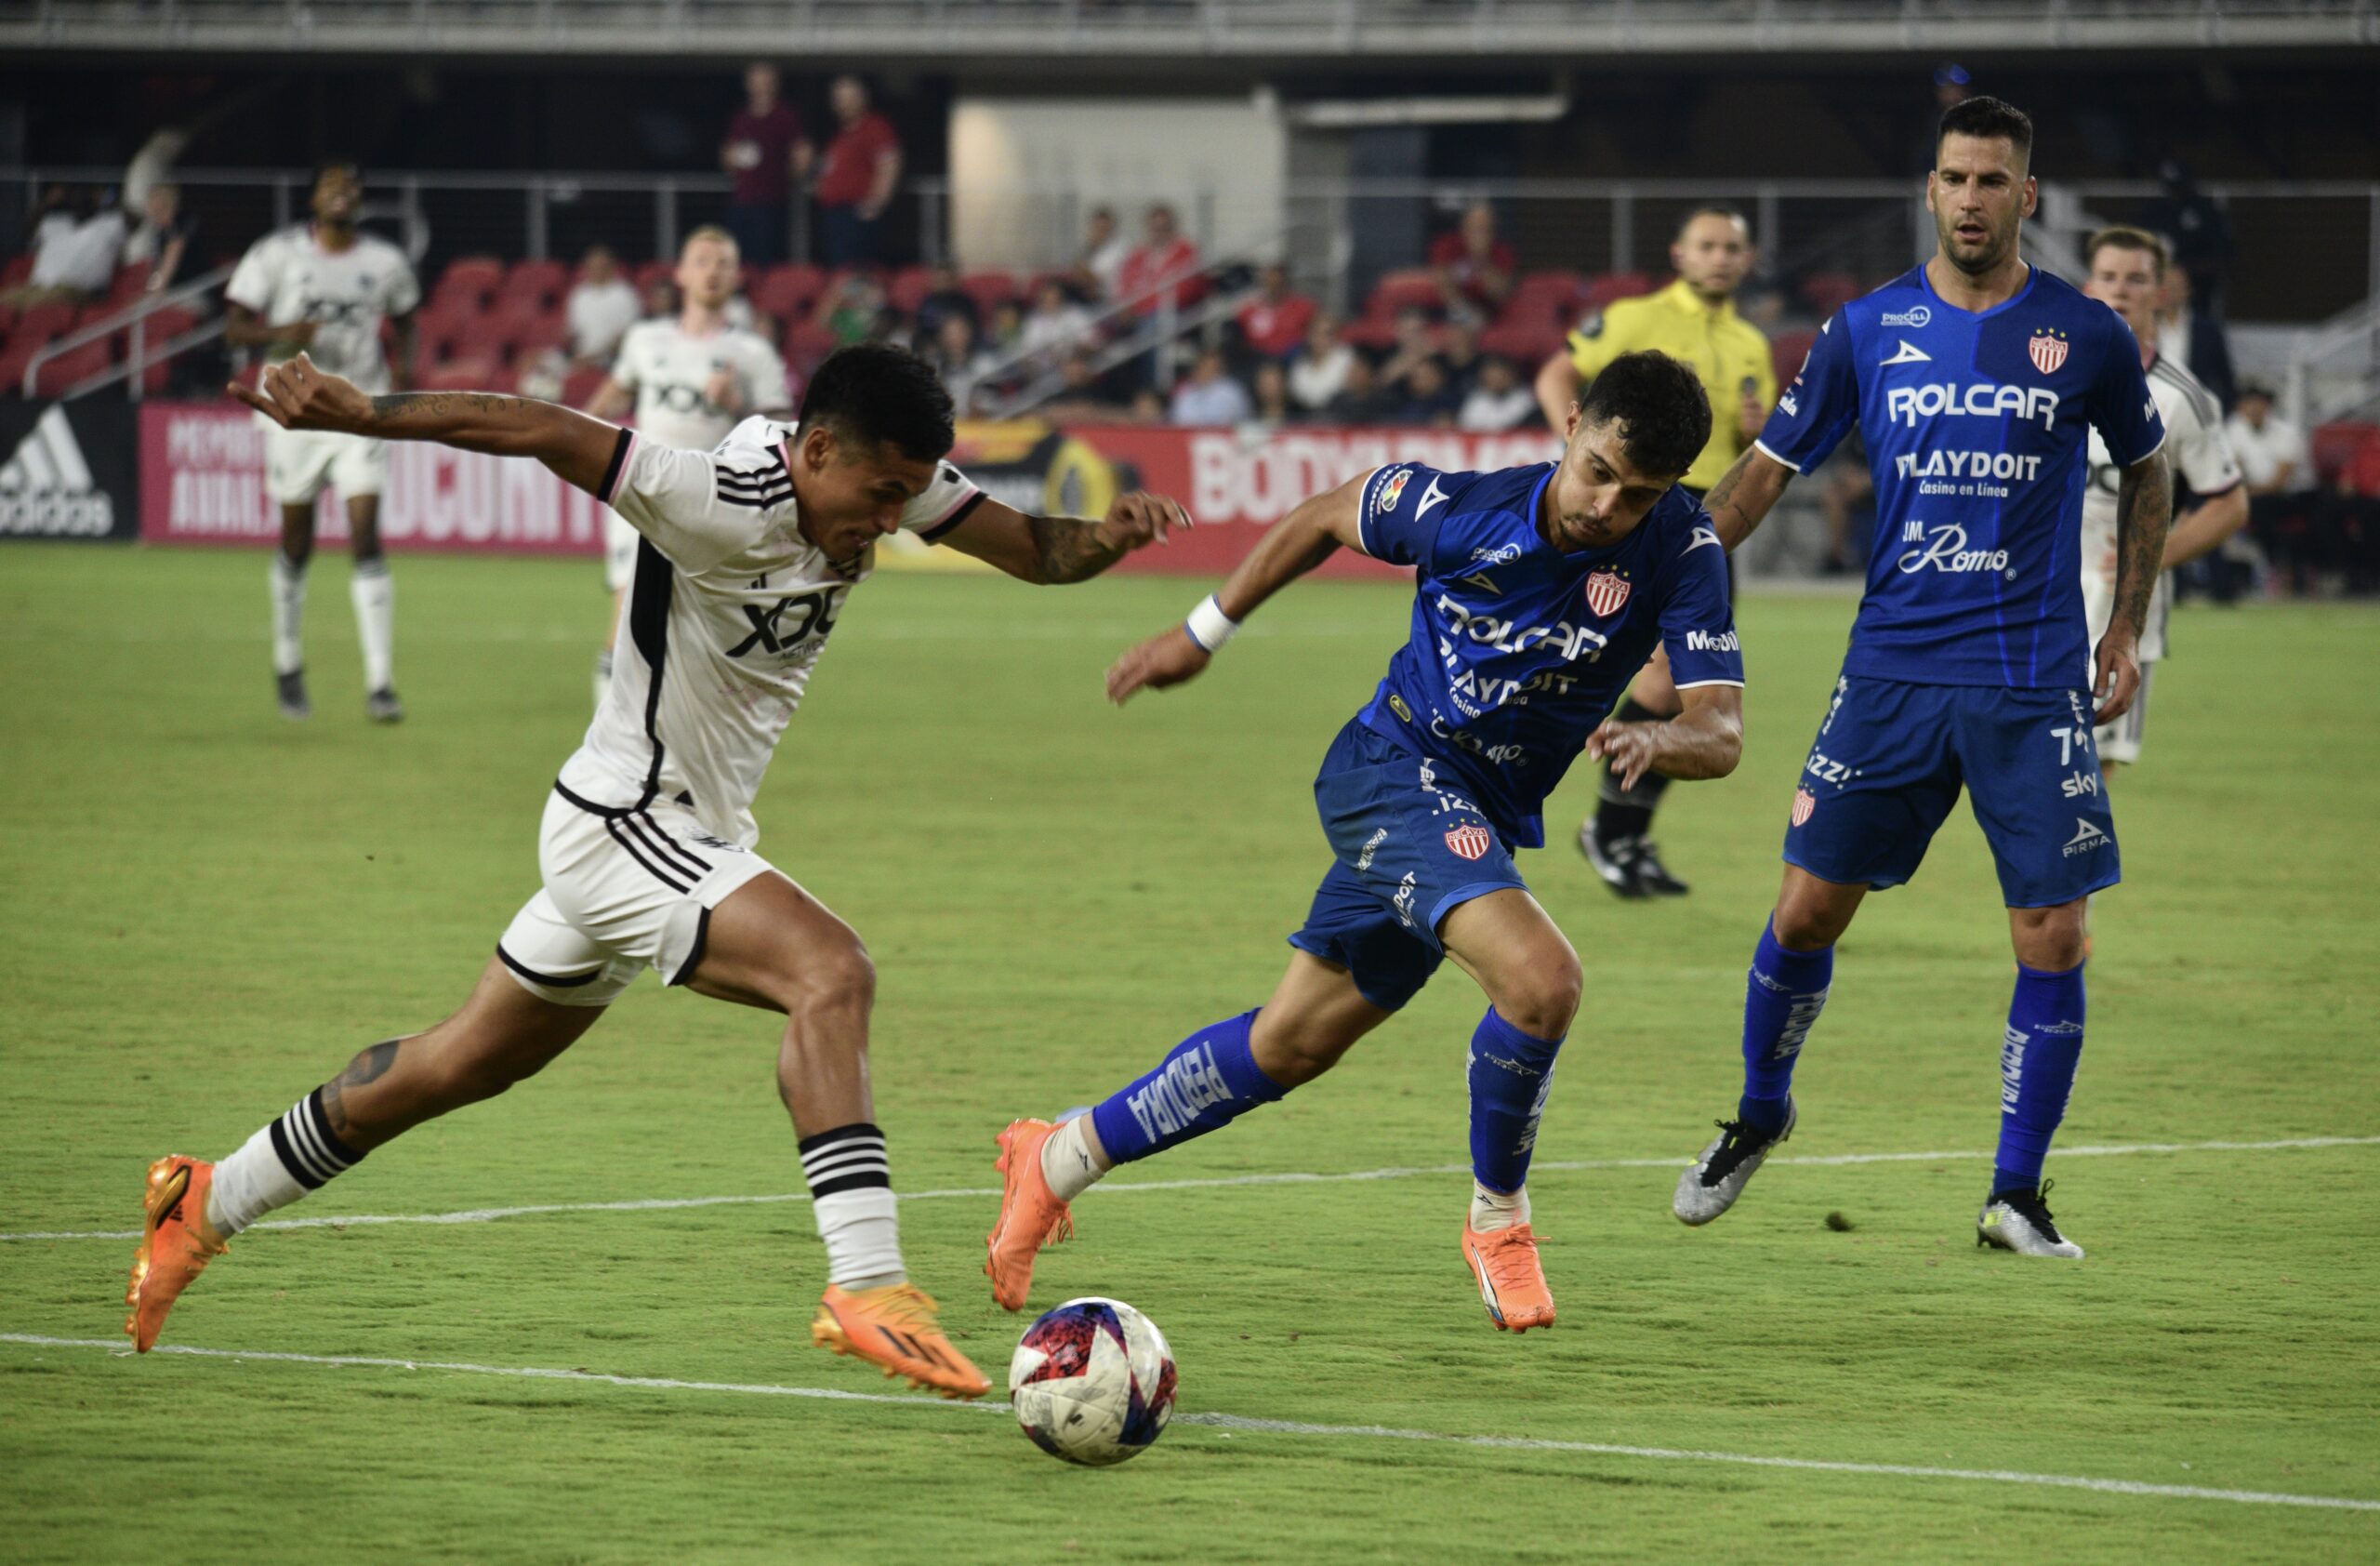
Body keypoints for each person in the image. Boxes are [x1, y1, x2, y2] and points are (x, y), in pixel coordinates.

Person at [128, 342, 1191, 1398]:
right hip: (625, 821)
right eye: (879, 495)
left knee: (458, 1063)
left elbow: (1040, 553)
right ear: (817, 449)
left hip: (687, 833)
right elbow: (536, 423)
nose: (889, 521)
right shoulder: (714, 494)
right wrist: (363, 417)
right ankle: (868, 1284)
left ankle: (207, 1199)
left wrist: (1105, 534)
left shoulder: (874, 481)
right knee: (831, 974)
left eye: (906, 498)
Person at [983, 352, 1743, 1331]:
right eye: (1598, 469)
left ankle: (1056, 1157)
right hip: (1387, 771)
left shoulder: (1681, 548)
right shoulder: (1460, 510)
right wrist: (1200, 633)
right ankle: (1496, 1221)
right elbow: (1319, 516)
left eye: (1637, 493)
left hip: (1475, 813)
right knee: (1542, 981)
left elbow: (1718, 731)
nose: (1606, 504)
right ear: (1570, 427)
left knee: (1288, 1046)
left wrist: (1660, 736)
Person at [1668, 97, 2172, 1260]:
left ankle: (2014, 1192)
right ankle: (1756, 1113)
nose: (1972, 199)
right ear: (1930, 190)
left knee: (2052, 935)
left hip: (2026, 679)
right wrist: (1669, 584)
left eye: (1994, 180)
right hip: (1889, 671)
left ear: (2026, 196)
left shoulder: (2082, 333)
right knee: (1804, 910)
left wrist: (2123, 627)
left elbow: (2147, 475)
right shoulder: (1864, 328)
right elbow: (1757, 477)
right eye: (1954, 178)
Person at [1536, 206, 1775, 898]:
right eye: (1707, 246)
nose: (1720, 258)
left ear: (1747, 259)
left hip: (1706, 525)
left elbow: (1750, 448)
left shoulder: (1751, 342)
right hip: (1639, 512)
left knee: (1671, 687)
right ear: (1678, 253)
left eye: (1732, 248)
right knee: (1671, 679)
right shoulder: (1636, 319)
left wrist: (1750, 427)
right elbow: (1556, 376)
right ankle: (1613, 832)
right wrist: (1584, 458)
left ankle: (1619, 834)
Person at [224, 162, 420, 723]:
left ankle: (381, 682)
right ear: (312, 198)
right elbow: (235, 326)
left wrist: (404, 370)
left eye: (353, 185)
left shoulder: (385, 261)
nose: (343, 192)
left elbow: (407, 317)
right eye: (331, 184)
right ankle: (287, 662)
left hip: (361, 410)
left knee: (365, 536)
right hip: (293, 411)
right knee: (297, 542)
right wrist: (280, 336)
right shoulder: (277, 254)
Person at [583, 226, 794, 708]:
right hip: (640, 493)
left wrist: (737, 401)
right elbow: (615, 393)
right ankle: (608, 744)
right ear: (680, 273)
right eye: (701, 260)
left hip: (714, 501)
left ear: (738, 276)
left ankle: (676, 739)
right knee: (627, 610)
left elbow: (782, 435)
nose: (712, 271)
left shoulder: (754, 353)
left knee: (697, 632)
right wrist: (574, 431)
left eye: (723, 263)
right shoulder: (644, 339)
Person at [2077, 226, 2245, 781]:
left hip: (2116, 615)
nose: (2120, 290)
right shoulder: (2048, 378)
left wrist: (2156, 553)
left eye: (2136, 279)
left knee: (2088, 777)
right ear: (2087, 286)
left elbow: (2228, 503)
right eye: (2108, 276)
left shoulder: (2180, 397)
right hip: (2031, 605)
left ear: (2161, 293)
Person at [721, 62, 811, 271]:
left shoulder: (785, 116)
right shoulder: (741, 118)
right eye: (756, 82)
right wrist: (732, 160)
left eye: (766, 82)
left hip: (771, 200)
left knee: (765, 257)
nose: (761, 87)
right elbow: (728, 152)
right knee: (735, 254)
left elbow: (802, 151)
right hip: (742, 198)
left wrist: (788, 177)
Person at [2228, 382, 2317, 588]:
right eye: (2248, 403)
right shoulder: (2234, 430)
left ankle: (2275, 566)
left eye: (2259, 403)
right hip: (2256, 496)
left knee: (2259, 507)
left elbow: (2280, 481)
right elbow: (2233, 471)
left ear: (2268, 406)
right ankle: (2251, 568)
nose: (2254, 408)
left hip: (2294, 496)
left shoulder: (2286, 432)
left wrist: (2245, 491)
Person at [813, 75, 901, 267]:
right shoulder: (839, 135)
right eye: (839, 99)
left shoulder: (876, 127)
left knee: (855, 272)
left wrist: (876, 202)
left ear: (862, 99)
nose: (843, 104)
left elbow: (888, 165)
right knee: (837, 270)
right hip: (834, 215)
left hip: (856, 214)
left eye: (848, 98)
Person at [1429, 202, 1516, 325]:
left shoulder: (1501, 252)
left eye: (1486, 229)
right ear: (1463, 227)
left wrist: (1481, 259)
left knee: (1465, 326)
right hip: (1451, 304)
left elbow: (1500, 294)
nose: (1480, 234)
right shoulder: (1447, 245)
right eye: (1475, 228)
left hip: (1485, 305)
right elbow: (1442, 279)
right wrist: (1463, 311)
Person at [1116, 204, 1203, 318]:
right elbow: (1125, 285)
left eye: (1164, 229)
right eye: (1155, 229)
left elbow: (1185, 291)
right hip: (1134, 314)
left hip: (1166, 314)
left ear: (1172, 229)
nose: (1159, 234)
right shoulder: (1137, 256)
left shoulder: (1186, 252)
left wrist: (1142, 306)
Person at [565, 246, 641, 366]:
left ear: (611, 267)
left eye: (600, 266)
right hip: (579, 357)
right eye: (591, 267)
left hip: (610, 360)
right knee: (534, 362)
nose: (595, 271)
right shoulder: (579, 294)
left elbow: (626, 337)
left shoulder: (625, 295)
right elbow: (573, 332)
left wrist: (594, 357)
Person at [122, 183, 194, 295]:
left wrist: (154, 293)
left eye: (152, 200)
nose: (148, 207)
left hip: (196, 292)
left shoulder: (182, 224)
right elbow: (157, 270)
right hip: (175, 293)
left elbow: (170, 261)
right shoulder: (161, 233)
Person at [1236, 263, 1316, 360]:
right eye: (1270, 283)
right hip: (1258, 362)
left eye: (1278, 284)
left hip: (1292, 359)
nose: (1274, 289)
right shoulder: (1248, 312)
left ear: (1285, 284)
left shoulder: (1304, 308)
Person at [1168, 347, 1252, 426]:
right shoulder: (1185, 391)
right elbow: (1175, 421)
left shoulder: (1232, 391)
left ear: (1219, 369)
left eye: (1210, 367)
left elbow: (1244, 421)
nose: (1205, 370)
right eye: (1202, 366)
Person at [1289, 314, 1355, 414]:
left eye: (1326, 334)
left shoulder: (1347, 358)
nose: (1320, 339)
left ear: (1335, 336)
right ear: (1308, 337)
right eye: (1316, 333)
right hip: (1305, 418)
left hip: (1340, 416)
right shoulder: (1300, 365)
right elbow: (1298, 395)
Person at [1458, 355, 1538, 433]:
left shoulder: (1525, 398)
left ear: (1511, 375)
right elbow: (1466, 431)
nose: (1495, 381)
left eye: (1500, 375)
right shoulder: (1476, 399)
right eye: (1491, 376)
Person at [1073, 206, 1130, 301]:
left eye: (1104, 228)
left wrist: (1081, 269)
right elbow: (1076, 273)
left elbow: (1092, 279)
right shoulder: (1092, 248)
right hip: (1087, 293)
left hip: (1107, 296)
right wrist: (1090, 247)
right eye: (1097, 227)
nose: (1100, 231)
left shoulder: (1119, 249)